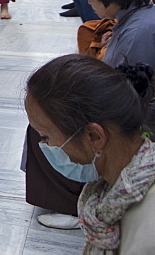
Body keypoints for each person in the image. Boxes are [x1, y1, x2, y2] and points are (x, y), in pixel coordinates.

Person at [25, 54, 155, 245]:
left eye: (45, 137)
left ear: (94, 136)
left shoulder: (146, 229)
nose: (45, 147)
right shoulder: (107, 191)